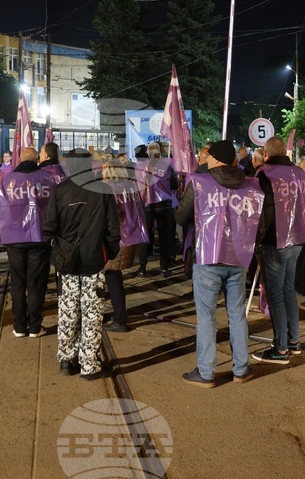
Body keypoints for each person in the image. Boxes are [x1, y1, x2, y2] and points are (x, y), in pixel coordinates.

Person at [175, 140, 264, 387]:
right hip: (239, 257)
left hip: (207, 257)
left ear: (213, 158)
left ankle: (206, 372)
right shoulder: (251, 186)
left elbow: (180, 216)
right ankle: (241, 369)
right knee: (237, 314)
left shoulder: (200, 183)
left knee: (207, 316)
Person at [43, 148, 121, 380]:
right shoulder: (103, 190)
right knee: (92, 313)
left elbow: (48, 227)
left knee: (68, 310)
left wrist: (60, 247)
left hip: (67, 264)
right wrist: (111, 251)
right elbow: (113, 229)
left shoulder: (60, 191)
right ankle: (89, 364)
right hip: (94, 261)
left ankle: (67, 360)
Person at [253, 136, 305, 364]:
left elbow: (261, 209)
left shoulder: (265, 173)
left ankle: (280, 349)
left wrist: (258, 239)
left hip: (274, 241)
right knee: (289, 290)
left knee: (276, 295)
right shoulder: (301, 174)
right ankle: (293, 341)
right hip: (298, 239)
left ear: (266, 153)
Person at [0, 147, 55, 337]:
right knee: (36, 283)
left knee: (17, 282)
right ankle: (35, 326)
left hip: (14, 239)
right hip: (39, 237)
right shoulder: (47, 179)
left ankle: (19, 326)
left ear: (19, 159)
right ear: (37, 160)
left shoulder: (6, 180)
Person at [102, 159, 148, 333]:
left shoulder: (109, 190)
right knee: (114, 279)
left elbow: (109, 217)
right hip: (131, 237)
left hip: (116, 239)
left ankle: (119, 318)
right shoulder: (130, 188)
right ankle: (117, 315)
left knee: (111, 279)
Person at [136, 142, 178, 278]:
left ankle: (142, 268)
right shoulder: (167, 165)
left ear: (148, 153)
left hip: (147, 205)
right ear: (160, 152)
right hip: (164, 205)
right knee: (164, 237)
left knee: (145, 237)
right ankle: (164, 269)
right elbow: (174, 185)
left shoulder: (140, 166)